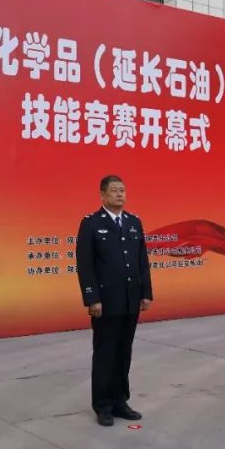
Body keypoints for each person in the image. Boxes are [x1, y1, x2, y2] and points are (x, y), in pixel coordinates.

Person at [76, 175, 153, 427]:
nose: (120, 194)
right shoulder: (91, 223)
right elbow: (85, 265)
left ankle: (121, 401)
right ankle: (103, 405)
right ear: (102, 195)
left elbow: (142, 261)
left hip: (130, 300)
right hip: (105, 303)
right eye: (114, 191)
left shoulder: (133, 222)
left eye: (123, 190)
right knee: (105, 353)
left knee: (124, 353)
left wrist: (146, 292)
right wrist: (92, 298)